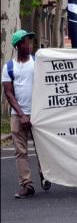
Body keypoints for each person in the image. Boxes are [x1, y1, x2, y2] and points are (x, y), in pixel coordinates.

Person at [3, 30, 50, 199]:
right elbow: (9, 93)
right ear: (17, 46)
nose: (28, 45)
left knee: (42, 149)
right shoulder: (9, 67)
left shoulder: (37, 62)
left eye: (29, 41)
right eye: (24, 42)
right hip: (18, 115)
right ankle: (26, 184)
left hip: (38, 114)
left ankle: (45, 174)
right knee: (20, 151)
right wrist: (21, 114)